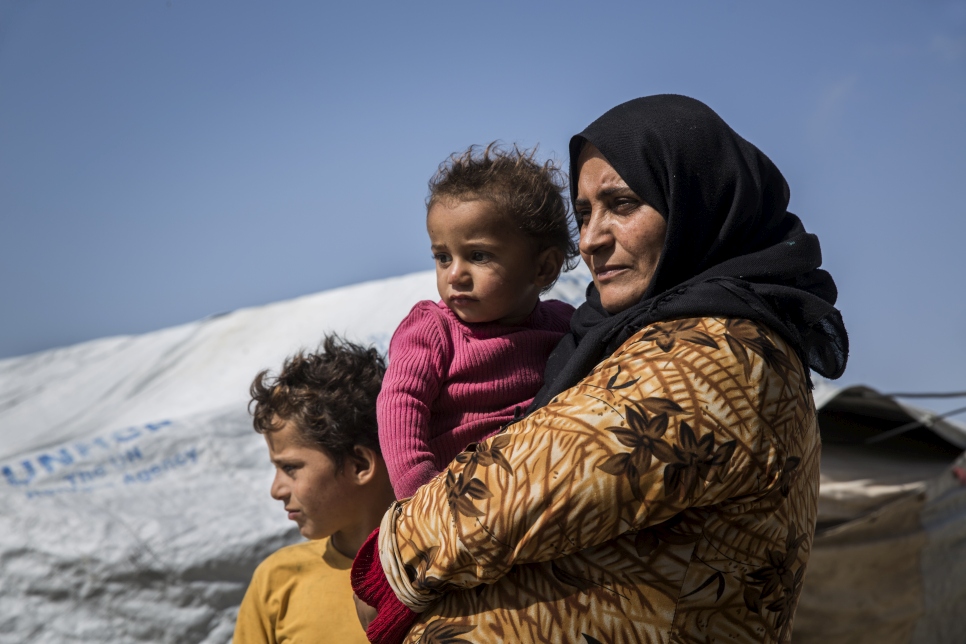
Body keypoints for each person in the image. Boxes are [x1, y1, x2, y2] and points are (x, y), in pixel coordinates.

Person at [351, 95, 848, 644]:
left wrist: (395, 557)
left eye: (622, 204)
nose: (590, 239)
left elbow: (529, 484)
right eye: (585, 213)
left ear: (695, 202)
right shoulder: (614, 339)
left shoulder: (721, 354)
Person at [377, 144, 577, 499]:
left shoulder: (564, 325)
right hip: (453, 498)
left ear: (543, 267)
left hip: (539, 492)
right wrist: (420, 493)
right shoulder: (432, 329)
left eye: (478, 256)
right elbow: (400, 401)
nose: (454, 275)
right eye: (442, 257)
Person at [233, 336, 396, 644]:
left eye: (290, 468)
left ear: (360, 464)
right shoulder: (277, 581)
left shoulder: (446, 571)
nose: (276, 489)